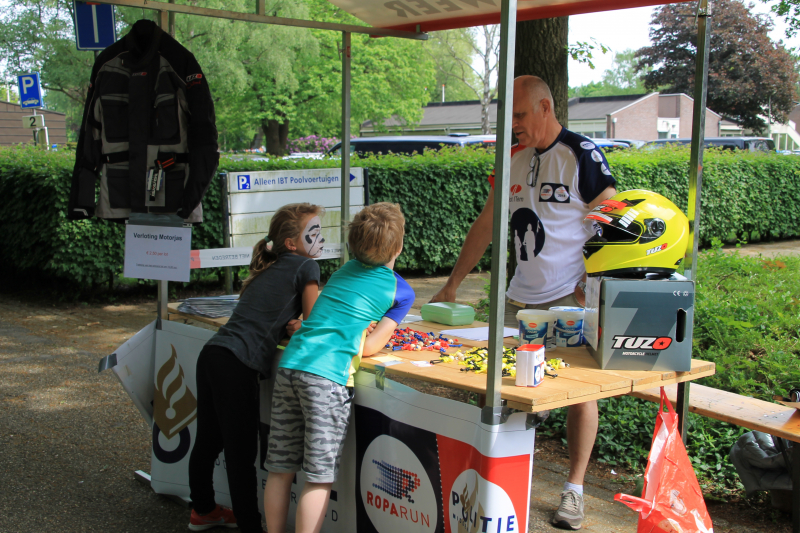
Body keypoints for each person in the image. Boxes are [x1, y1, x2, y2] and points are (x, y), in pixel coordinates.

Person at [430, 75, 617, 531]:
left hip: (569, 298)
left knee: (578, 393)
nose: (512, 125)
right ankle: (503, 485)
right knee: (510, 389)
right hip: (519, 301)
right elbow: (488, 221)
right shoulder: (512, 157)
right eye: (508, 116)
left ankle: (573, 491)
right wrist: (453, 283)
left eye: (519, 115)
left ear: (545, 109)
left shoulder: (582, 154)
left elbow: (612, 217)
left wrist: (593, 282)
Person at [263, 202, 414, 533]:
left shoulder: (343, 270)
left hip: (290, 365)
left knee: (280, 469)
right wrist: (365, 332)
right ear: (399, 246)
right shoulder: (400, 290)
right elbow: (371, 347)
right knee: (318, 478)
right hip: (327, 378)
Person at [187, 203, 324, 532]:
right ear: (292, 243)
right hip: (236, 365)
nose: (320, 238)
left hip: (213, 355)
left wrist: (297, 323)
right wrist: (300, 326)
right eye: (314, 232)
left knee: (208, 440)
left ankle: (202, 509)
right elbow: (317, 322)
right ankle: (250, 525)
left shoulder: (271, 267)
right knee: (240, 454)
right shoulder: (306, 267)